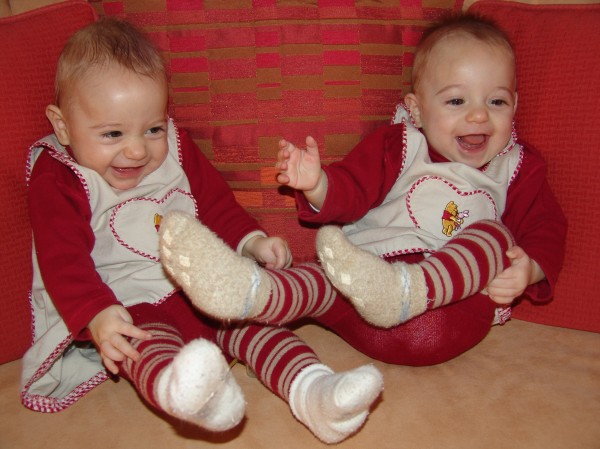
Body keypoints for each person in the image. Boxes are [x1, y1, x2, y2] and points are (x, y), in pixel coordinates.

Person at [20, 17, 384, 444]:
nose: (137, 150)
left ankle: (316, 392)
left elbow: (214, 205)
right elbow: (61, 258)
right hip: (126, 302)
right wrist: (97, 314)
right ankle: (190, 396)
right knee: (141, 342)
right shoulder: (59, 176)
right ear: (62, 126)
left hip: (202, 287)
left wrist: (252, 242)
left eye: (153, 129)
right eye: (113, 134)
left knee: (254, 323)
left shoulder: (175, 150)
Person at [159, 13, 566, 367]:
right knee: (323, 278)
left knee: (494, 237)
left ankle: (409, 291)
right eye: (457, 101)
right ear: (417, 109)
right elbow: (353, 189)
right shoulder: (400, 145)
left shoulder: (517, 168)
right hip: (368, 286)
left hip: (448, 312)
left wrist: (528, 268)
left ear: (515, 105)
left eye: (497, 102)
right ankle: (250, 292)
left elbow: (546, 226)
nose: (478, 115)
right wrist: (318, 183)